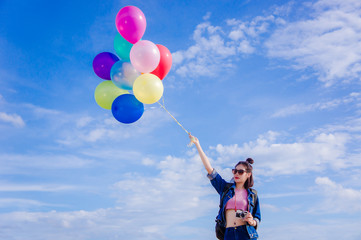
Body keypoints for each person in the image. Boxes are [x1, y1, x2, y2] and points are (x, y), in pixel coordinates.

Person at [189, 134, 261, 240]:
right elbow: (210, 170)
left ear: (248, 174)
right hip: (228, 233)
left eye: (240, 172)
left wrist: (252, 221)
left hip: (246, 233)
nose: (236, 174)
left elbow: (257, 217)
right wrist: (197, 144)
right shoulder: (225, 188)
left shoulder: (253, 194)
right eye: (234, 171)